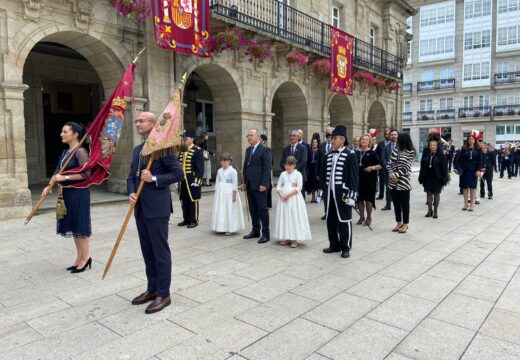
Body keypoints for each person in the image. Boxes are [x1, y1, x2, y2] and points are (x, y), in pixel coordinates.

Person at [127, 111, 183, 314]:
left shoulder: (163, 148)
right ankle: (152, 289)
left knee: (159, 252)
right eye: (136, 120)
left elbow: (178, 174)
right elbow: (131, 176)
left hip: (157, 208)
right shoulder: (137, 149)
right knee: (147, 252)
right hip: (140, 208)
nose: (137, 123)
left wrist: (154, 179)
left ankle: (163, 294)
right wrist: (132, 192)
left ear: (153, 124)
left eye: (141, 120)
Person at [42, 122, 92, 273]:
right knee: (74, 227)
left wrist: (65, 177)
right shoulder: (66, 152)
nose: (61, 134)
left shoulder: (80, 151)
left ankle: (86, 258)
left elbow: (86, 174)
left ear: (75, 134)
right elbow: (58, 171)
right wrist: (49, 185)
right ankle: (79, 258)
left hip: (79, 193)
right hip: (67, 193)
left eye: (65, 132)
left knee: (80, 227)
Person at [321, 125, 359, 259]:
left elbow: (354, 177)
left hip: (344, 193)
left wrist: (353, 196)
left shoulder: (351, 155)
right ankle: (334, 245)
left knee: (344, 219)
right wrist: (322, 192)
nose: (331, 141)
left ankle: (345, 247)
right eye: (331, 139)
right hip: (330, 194)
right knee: (330, 220)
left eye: (334, 139)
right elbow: (324, 175)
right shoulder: (328, 155)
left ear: (342, 140)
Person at [273, 156, 312, 248]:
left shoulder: (298, 174)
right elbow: (278, 187)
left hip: (294, 199)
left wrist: (288, 195)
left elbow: (299, 188)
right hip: (284, 199)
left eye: (290, 165)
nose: (287, 167)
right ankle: (286, 237)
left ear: (294, 165)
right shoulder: (283, 174)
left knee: (294, 217)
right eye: (286, 165)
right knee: (285, 217)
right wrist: (282, 195)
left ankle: (294, 239)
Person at [243, 128, 272, 243]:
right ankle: (255, 230)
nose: (249, 137)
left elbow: (267, 168)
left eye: (251, 135)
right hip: (250, 185)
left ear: (258, 137)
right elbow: (246, 167)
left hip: (260, 185)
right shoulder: (248, 150)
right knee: (252, 209)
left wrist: (264, 183)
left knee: (262, 209)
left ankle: (266, 233)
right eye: (248, 135)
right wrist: (244, 182)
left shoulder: (265, 150)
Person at [387, 132, 416, 233]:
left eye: (399, 139)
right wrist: (391, 173)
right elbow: (389, 163)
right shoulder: (395, 150)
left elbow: (406, 167)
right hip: (392, 183)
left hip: (403, 183)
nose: (397, 140)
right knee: (396, 204)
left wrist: (395, 175)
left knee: (405, 204)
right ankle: (398, 222)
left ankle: (406, 223)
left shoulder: (411, 152)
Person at [211, 153, 245, 235]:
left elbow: (234, 183)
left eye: (225, 161)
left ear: (229, 161)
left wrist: (234, 195)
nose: (223, 163)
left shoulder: (233, 171)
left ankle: (230, 228)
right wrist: (217, 192)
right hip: (221, 193)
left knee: (229, 209)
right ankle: (220, 227)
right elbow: (217, 181)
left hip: (229, 192)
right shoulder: (219, 170)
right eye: (221, 161)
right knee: (221, 209)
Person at [178, 129, 204, 228]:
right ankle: (186, 219)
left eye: (186, 138)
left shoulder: (197, 151)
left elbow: (200, 168)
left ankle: (194, 220)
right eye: (183, 138)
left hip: (192, 179)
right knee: (184, 200)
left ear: (192, 139)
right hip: (182, 180)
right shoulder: (182, 150)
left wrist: (198, 181)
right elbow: (178, 164)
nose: (184, 140)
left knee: (193, 200)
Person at [418, 135, 448, 219]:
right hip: (428, 176)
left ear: (437, 146)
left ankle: (435, 211)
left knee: (436, 194)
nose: (432, 147)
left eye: (434, 145)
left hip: (437, 177)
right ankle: (429, 210)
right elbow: (422, 165)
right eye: (430, 145)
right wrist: (421, 175)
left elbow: (444, 168)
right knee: (429, 193)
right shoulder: (426, 153)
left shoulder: (441, 155)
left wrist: (444, 178)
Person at [356, 133, 382, 226]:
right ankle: (361, 217)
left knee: (368, 199)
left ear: (369, 142)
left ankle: (369, 217)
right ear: (360, 141)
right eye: (363, 139)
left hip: (370, 180)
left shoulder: (372, 153)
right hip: (358, 179)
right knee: (359, 199)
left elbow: (380, 165)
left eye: (367, 140)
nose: (364, 141)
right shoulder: (355, 152)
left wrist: (372, 167)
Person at [455, 134, 483, 211]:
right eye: (469, 139)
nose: (470, 140)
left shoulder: (478, 149)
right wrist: (456, 167)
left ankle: (472, 205)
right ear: (467, 140)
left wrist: (478, 170)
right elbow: (458, 158)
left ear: (475, 140)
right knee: (464, 187)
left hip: (473, 170)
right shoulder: (464, 148)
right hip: (464, 170)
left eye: (472, 139)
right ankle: (465, 204)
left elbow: (481, 160)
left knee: (472, 187)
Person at [280, 130, 308, 199]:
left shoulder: (303, 148)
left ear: (298, 137)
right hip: (287, 177)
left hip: (299, 175)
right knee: (289, 197)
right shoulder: (286, 149)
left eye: (294, 136)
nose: (292, 137)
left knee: (299, 197)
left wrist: (293, 171)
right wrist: (287, 170)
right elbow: (282, 162)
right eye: (290, 136)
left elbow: (303, 162)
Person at [317, 127, 334, 220]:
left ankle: (333, 212)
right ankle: (326, 212)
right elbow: (318, 160)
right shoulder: (321, 146)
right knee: (326, 194)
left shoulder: (337, 146)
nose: (329, 137)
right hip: (324, 174)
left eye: (331, 135)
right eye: (328, 135)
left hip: (334, 174)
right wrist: (317, 173)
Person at [381, 129, 399, 210]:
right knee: (388, 189)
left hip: (399, 171)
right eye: (392, 134)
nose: (393, 136)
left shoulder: (401, 146)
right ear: (389, 136)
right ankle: (388, 205)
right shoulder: (386, 147)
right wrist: (388, 167)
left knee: (399, 188)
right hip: (387, 171)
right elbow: (383, 158)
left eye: (395, 134)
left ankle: (399, 205)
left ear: (397, 135)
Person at [375, 130, 390, 200]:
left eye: (389, 134)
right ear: (384, 135)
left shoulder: (394, 144)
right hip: (382, 165)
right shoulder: (380, 144)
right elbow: (376, 153)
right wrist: (379, 161)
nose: (388, 135)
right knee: (381, 181)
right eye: (386, 134)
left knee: (389, 182)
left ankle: (389, 196)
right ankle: (381, 195)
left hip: (390, 165)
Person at [260, 134, 274, 209]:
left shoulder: (267, 149)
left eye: (260, 139)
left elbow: (271, 162)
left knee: (268, 187)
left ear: (264, 141)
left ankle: (267, 204)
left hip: (266, 172)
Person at [297, 129, 312, 199]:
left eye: (298, 134)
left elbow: (309, 158)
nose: (297, 136)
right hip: (293, 170)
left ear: (302, 135)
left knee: (302, 188)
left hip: (303, 169)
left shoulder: (306, 146)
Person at [306, 138, 320, 202]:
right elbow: (307, 159)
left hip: (317, 169)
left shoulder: (319, 150)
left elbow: (320, 160)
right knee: (312, 184)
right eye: (313, 142)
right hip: (311, 169)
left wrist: (316, 161)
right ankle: (313, 197)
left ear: (317, 143)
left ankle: (318, 197)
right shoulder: (310, 150)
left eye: (315, 142)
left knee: (317, 184)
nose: (314, 143)